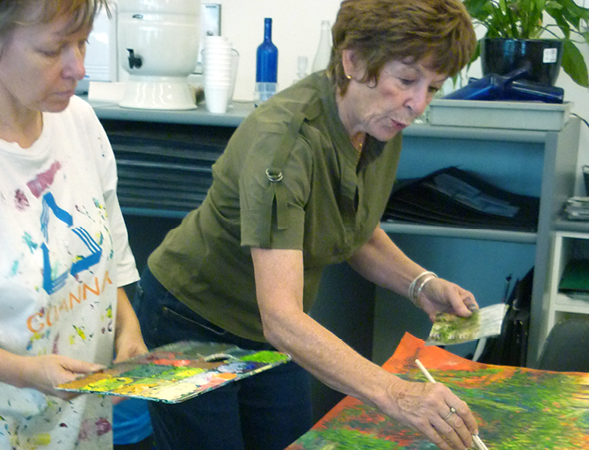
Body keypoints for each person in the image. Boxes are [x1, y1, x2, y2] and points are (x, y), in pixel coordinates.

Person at [133, 0, 478, 449]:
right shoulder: (285, 143)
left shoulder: (378, 124)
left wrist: (421, 283)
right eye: (407, 80)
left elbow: (351, 228)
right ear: (353, 61)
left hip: (270, 331)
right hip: (192, 319)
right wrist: (398, 394)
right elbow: (281, 317)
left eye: (432, 87)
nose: (416, 104)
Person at [0, 1, 147, 449]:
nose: (76, 68)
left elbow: (106, 257)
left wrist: (128, 329)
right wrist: (28, 372)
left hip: (77, 424)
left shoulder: (78, 124)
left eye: (81, 43)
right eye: (53, 50)